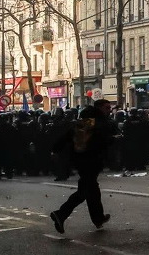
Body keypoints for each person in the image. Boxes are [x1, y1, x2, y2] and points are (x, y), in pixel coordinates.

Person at [49, 99, 117, 233]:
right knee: (85, 191)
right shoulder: (99, 123)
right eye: (107, 107)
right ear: (99, 108)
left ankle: (98, 218)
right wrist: (114, 140)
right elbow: (103, 141)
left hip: (80, 160)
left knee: (92, 189)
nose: (109, 110)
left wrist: (55, 150)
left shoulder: (83, 122)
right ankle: (61, 214)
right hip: (92, 160)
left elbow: (67, 137)